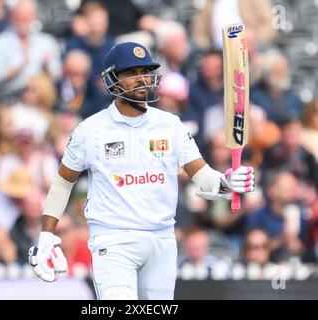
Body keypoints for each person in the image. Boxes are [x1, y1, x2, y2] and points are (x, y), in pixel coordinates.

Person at [28, 42, 255, 300]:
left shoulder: (170, 125)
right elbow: (62, 183)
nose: (142, 80)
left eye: (146, 72)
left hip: (162, 240)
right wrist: (46, 235)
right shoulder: (90, 131)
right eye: (131, 73)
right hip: (113, 240)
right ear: (112, 79)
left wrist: (227, 183)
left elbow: (202, 176)